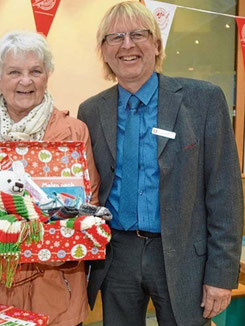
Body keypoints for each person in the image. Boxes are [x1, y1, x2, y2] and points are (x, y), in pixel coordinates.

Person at [77, 2, 243, 326]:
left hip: (182, 257)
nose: (128, 45)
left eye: (139, 34)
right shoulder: (91, 112)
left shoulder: (204, 101)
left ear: (156, 44)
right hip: (117, 255)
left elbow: (225, 195)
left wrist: (222, 274)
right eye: (115, 37)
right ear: (104, 51)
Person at [0, 30, 100, 326]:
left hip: (56, 288)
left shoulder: (74, 132)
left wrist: (65, 219)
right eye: (14, 72)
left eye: (35, 71)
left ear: (47, 76)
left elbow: (90, 204)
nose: (26, 81)